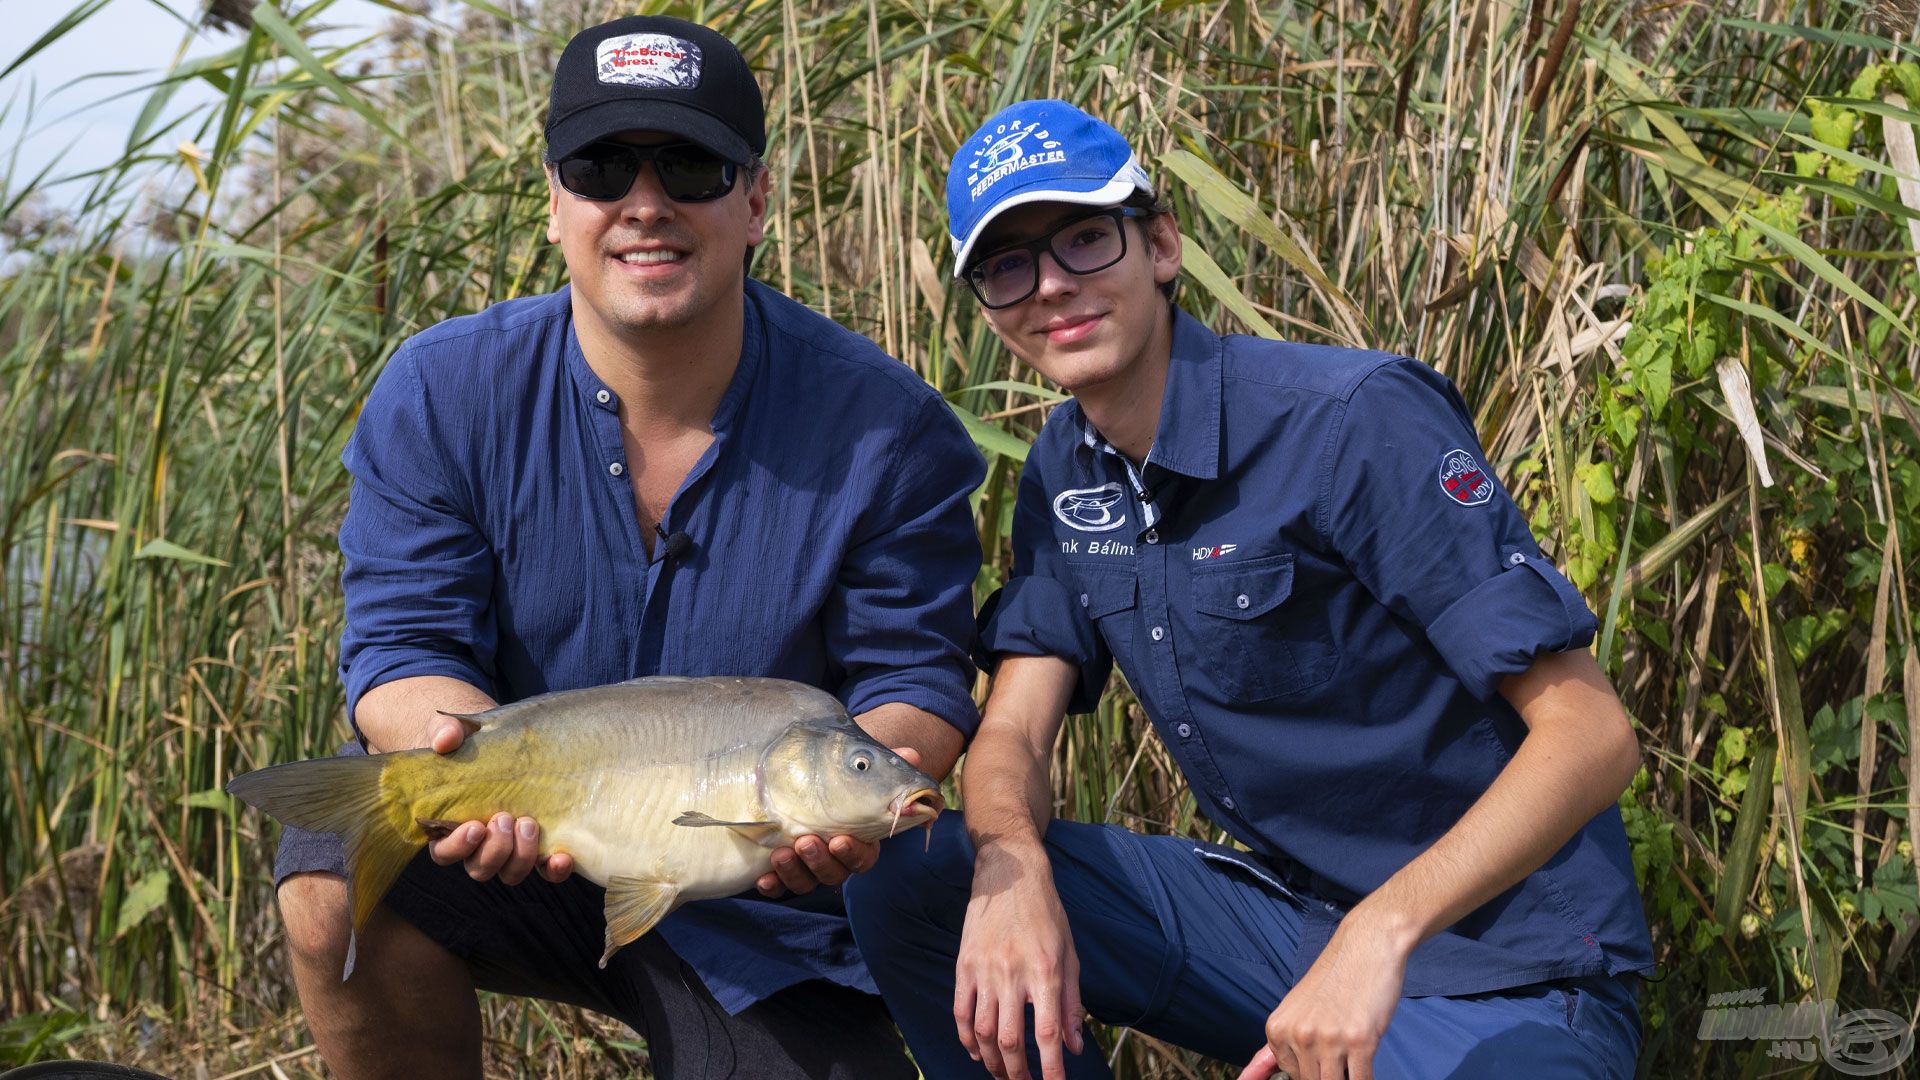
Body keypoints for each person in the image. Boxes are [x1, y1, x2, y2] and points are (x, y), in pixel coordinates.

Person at [843, 99, 1655, 1080]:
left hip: (1506, 965)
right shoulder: (1067, 470)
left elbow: (1593, 736)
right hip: (1285, 930)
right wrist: (1009, 873)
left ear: (1162, 246)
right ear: (987, 308)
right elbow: (1013, 728)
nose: (1052, 286)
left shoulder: (1352, 421)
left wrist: (1377, 934)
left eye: (1086, 239)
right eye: (1008, 266)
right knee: (919, 871)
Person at [268, 16, 984, 1080]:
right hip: (521, 837)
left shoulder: (891, 427)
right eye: (602, 167)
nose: (645, 204)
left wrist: (850, 802)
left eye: (691, 166)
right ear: (555, 200)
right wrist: (467, 770)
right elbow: (400, 645)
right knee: (330, 869)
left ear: (756, 199)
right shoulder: (442, 390)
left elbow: (916, 672)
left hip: (763, 898)